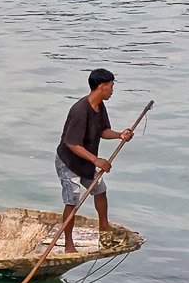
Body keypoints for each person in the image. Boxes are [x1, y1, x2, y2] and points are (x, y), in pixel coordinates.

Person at [55, 68, 135, 252]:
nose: (112, 90)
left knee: (100, 190)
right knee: (72, 200)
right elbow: (72, 143)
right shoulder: (79, 111)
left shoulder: (99, 106)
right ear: (101, 87)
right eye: (111, 86)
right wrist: (97, 160)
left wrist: (119, 135)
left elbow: (102, 131)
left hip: (85, 161)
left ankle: (104, 227)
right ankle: (68, 244)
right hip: (68, 162)